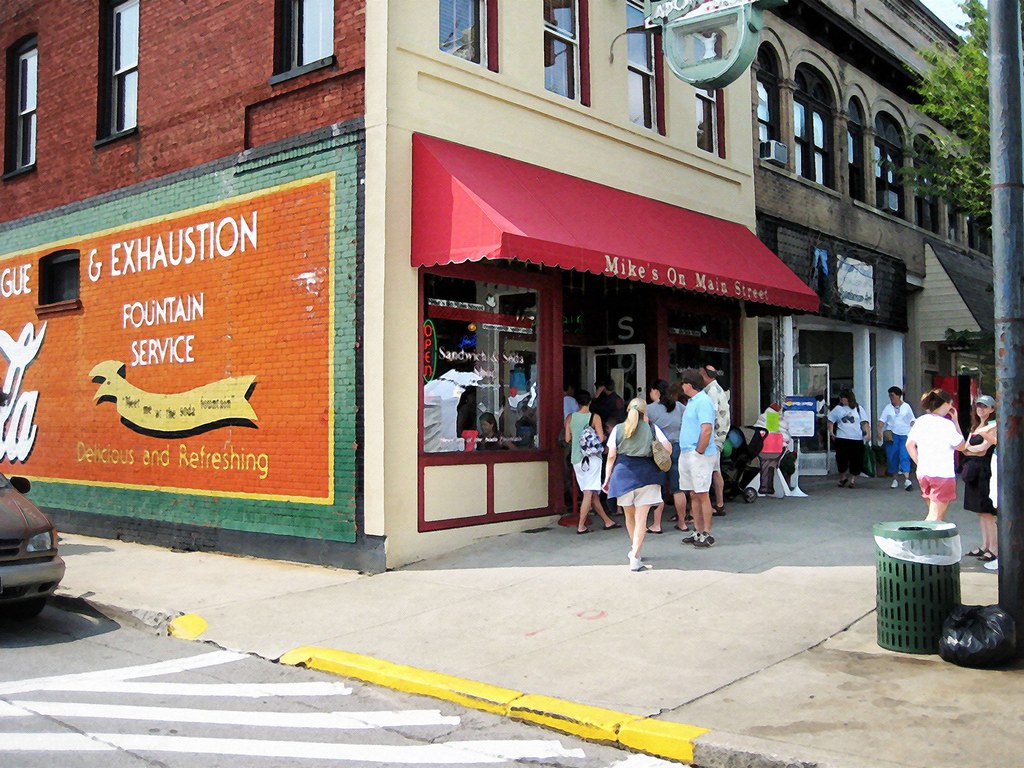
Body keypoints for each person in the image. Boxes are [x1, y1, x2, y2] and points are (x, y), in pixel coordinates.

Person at [602, 397, 672, 571]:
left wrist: (607, 478)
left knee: (629, 517)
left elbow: (611, 456)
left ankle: (636, 551)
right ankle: (635, 557)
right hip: (647, 475)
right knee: (642, 519)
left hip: (623, 475)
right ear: (644, 413)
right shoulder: (652, 428)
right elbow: (668, 448)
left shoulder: (618, 429)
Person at [906, 388, 966, 522]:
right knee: (934, 517)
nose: (951, 407)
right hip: (942, 473)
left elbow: (909, 445)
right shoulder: (947, 425)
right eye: (950, 404)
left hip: (923, 472)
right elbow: (961, 446)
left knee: (935, 512)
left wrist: (919, 462)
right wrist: (956, 422)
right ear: (945, 404)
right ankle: (920, 539)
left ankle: (934, 542)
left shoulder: (920, 421)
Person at [565, 390, 619, 534]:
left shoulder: (570, 417)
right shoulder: (595, 417)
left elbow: (567, 439)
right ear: (590, 402)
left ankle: (608, 521)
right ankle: (581, 526)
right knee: (589, 492)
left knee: (591, 491)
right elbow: (601, 438)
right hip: (593, 458)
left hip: (577, 458)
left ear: (577, 402)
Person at [678, 368, 718, 548]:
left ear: (689, 384)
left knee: (702, 493)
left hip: (698, 454)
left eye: (683, 382)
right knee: (693, 493)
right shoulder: (692, 402)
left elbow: (706, 428)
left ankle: (707, 533)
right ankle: (698, 530)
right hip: (687, 452)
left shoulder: (703, 402)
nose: (681, 386)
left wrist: (699, 451)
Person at [645, 379, 686, 535]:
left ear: (656, 391)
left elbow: (645, 429)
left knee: (658, 488)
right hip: (677, 447)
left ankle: (657, 524)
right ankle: (682, 523)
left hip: (659, 450)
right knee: (677, 488)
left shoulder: (650, 409)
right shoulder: (680, 407)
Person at [960, 395, 997, 564]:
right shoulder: (976, 426)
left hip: (985, 471)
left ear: (992, 409)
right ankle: (985, 545)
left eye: (985, 406)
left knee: (987, 511)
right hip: (973, 471)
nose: (981, 409)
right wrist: (970, 449)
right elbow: (965, 448)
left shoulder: (992, 426)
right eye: (979, 406)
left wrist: (970, 449)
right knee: (980, 511)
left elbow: (983, 450)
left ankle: (994, 548)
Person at [699, 364, 730, 515]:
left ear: (705, 375)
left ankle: (718, 503)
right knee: (715, 470)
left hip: (714, 436)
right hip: (720, 435)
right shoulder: (717, 388)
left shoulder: (711, 391)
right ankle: (719, 502)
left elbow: (710, 415)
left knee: (713, 470)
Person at [828, 389, 870, 488]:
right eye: (841, 398)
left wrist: (868, 433)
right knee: (841, 459)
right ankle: (843, 477)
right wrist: (831, 432)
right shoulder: (838, 409)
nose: (842, 400)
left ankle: (853, 480)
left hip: (856, 438)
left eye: (844, 398)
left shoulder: (858, 408)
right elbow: (830, 420)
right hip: (842, 437)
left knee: (856, 460)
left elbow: (864, 422)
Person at [877, 386, 916, 491]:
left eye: (892, 395)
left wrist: (916, 431)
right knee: (892, 456)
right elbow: (881, 421)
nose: (891, 397)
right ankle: (895, 479)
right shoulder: (888, 408)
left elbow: (912, 420)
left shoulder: (906, 407)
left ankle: (907, 479)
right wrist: (879, 431)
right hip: (892, 435)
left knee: (904, 455)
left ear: (898, 396)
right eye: (889, 395)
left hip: (904, 434)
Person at [753, 402, 791, 495]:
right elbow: (774, 433)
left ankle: (764, 487)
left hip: (761, 448)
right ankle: (766, 487)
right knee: (771, 465)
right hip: (774, 448)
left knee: (765, 465)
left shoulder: (764, 416)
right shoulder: (773, 417)